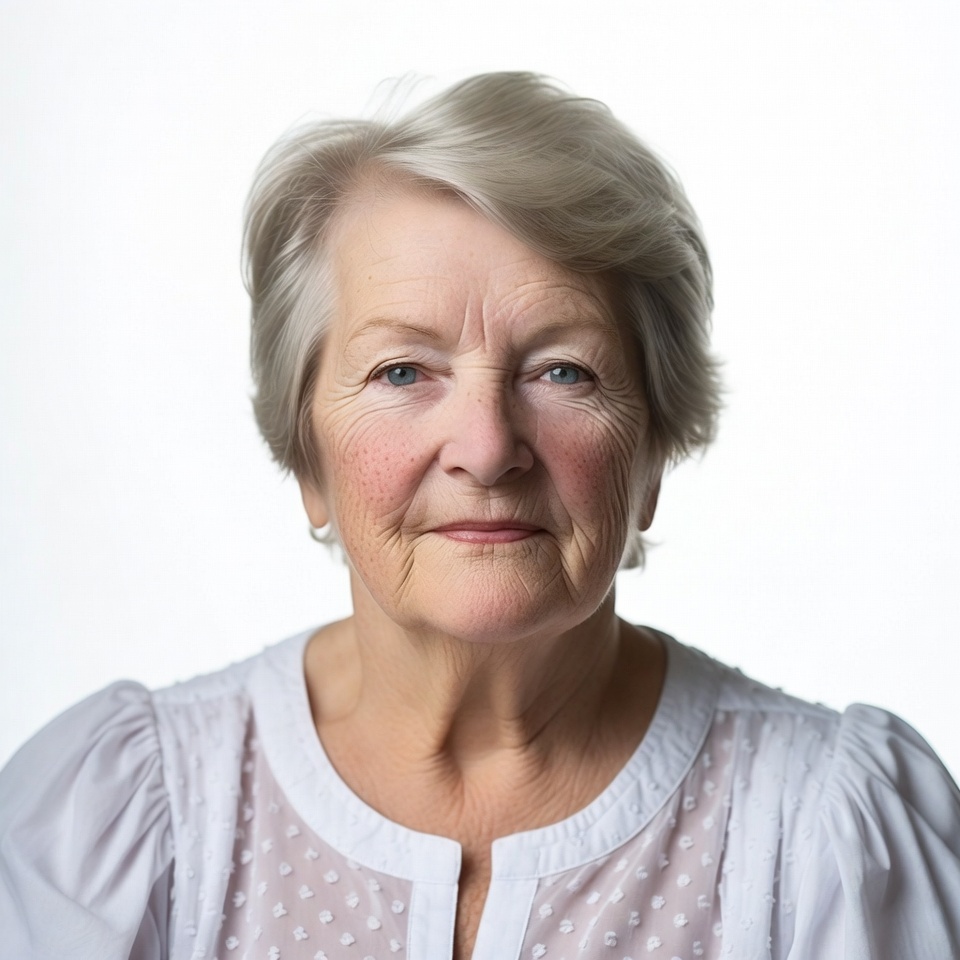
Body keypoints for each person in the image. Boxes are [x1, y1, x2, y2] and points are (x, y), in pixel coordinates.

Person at [1, 72, 958, 960]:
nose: (489, 447)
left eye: (562, 371)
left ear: (654, 449)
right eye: (403, 372)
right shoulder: (133, 817)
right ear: (309, 458)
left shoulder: (823, 832)